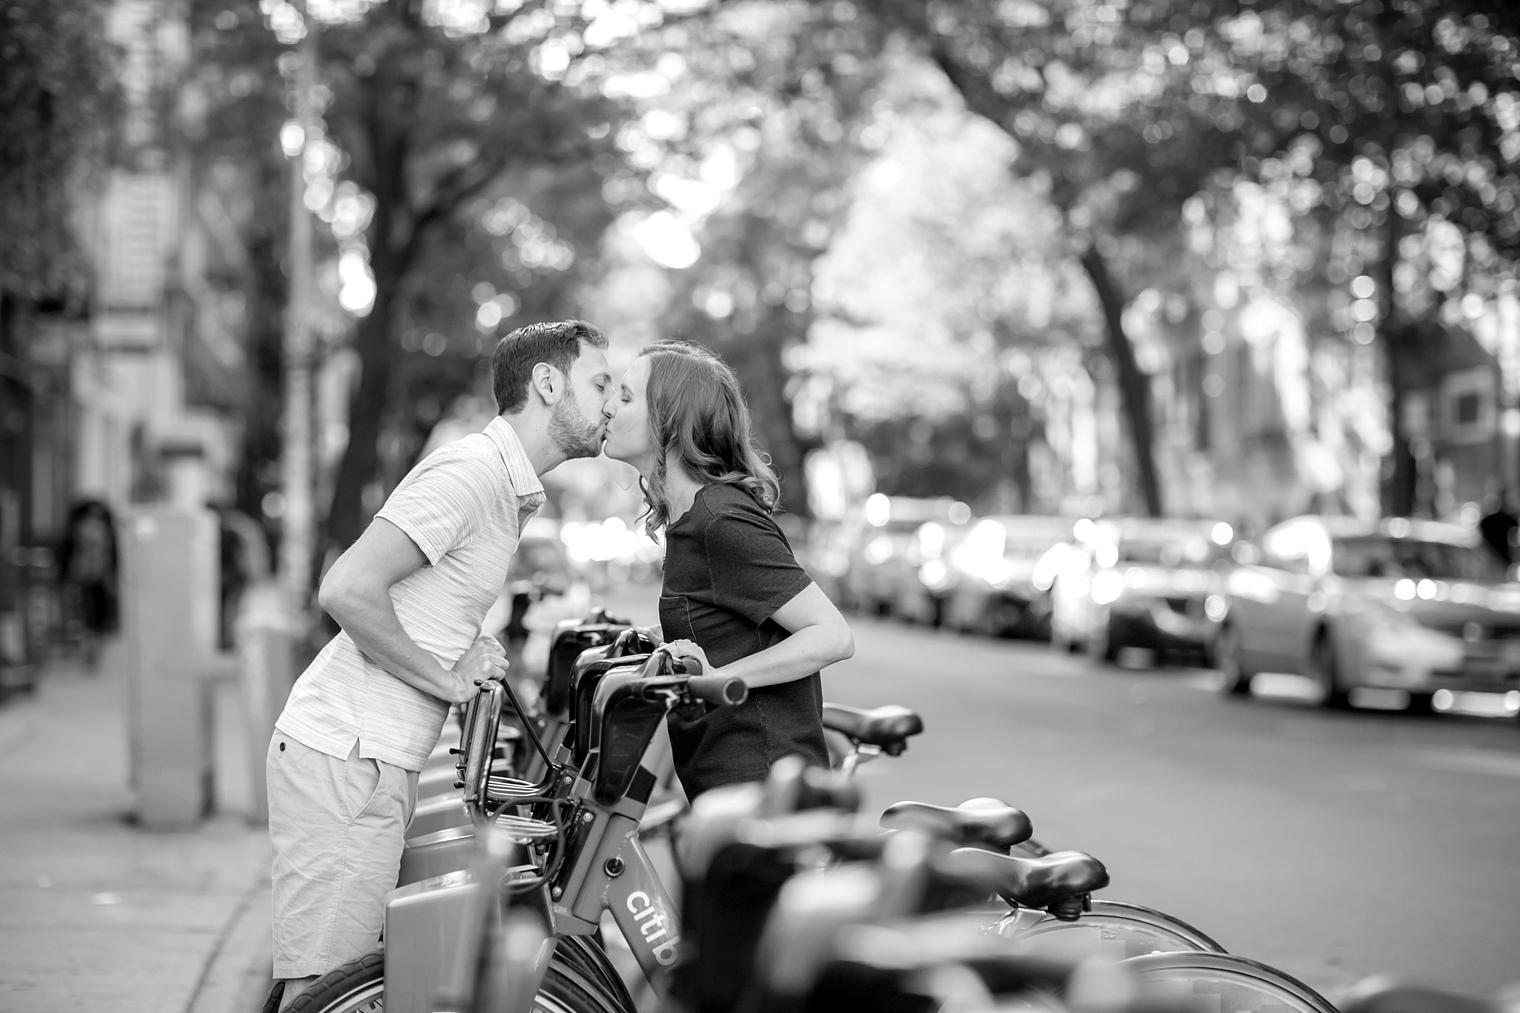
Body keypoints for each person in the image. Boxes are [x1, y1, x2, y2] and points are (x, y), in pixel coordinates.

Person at [265, 320, 613, 1009]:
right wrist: (446, 679)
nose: (610, 403)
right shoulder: (474, 473)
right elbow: (345, 588)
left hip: (369, 757)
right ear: (549, 382)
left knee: (338, 985)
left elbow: (415, 604)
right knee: (323, 991)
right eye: (600, 382)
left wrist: (463, 652)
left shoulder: (503, 488)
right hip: (347, 754)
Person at [601, 340, 854, 800]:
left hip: (764, 791)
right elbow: (727, 626)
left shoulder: (721, 520)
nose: (606, 408)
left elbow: (831, 635)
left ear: (669, 420)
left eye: (624, 396)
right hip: (725, 789)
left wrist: (719, 678)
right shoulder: (690, 519)